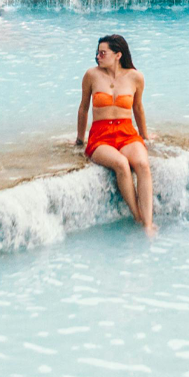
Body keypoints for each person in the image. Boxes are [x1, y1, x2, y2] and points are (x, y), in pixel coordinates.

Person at [76, 34, 155, 234]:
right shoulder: (91, 75)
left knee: (143, 165)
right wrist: (79, 140)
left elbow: (138, 108)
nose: (98, 57)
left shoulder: (136, 77)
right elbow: (83, 109)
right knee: (121, 164)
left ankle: (148, 224)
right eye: (97, 53)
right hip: (100, 135)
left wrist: (144, 136)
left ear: (118, 54)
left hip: (127, 132)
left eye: (103, 53)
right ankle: (138, 216)